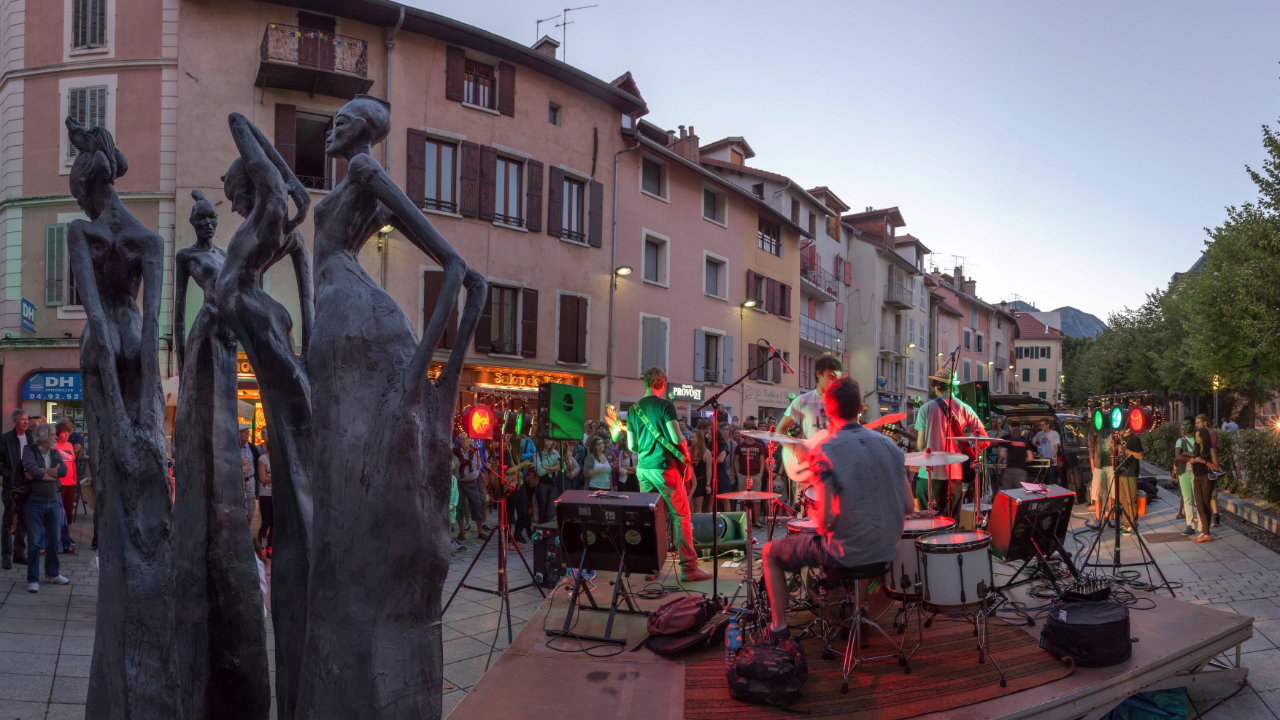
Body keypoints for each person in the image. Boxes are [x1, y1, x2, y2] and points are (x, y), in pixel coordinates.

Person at [761, 377, 913, 640]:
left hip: (847, 553)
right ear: (860, 409)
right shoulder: (890, 447)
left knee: (770, 553)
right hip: (887, 550)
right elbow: (909, 506)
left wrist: (817, 517)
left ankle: (779, 629)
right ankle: (860, 610)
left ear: (828, 410)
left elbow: (827, 520)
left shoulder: (826, 449)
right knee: (861, 536)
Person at [606, 366, 711, 582]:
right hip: (664, 468)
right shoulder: (665, 405)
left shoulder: (633, 410)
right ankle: (689, 568)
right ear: (662, 384)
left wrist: (647, 448)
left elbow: (632, 446)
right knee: (681, 516)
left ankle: (650, 568)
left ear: (646, 383)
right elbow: (676, 437)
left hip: (643, 469)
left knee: (651, 518)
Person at [914, 373, 988, 518]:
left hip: (928, 476)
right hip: (954, 476)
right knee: (950, 524)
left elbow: (921, 444)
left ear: (936, 386)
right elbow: (985, 440)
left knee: (928, 523)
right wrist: (969, 453)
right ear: (954, 387)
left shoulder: (925, 408)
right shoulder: (965, 408)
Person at [21, 423, 71, 592]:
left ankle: (52, 573)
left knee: (54, 541)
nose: (55, 437)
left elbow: (63, 471)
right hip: (35, 502)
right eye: (52, 435)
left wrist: (42, 472)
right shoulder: (29, 450)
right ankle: (33, 579)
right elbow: (31, 469)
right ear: (42, 437)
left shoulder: (55, 453)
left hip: (53, 502)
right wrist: (51, 474)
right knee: (34, 543)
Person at [0, 409, 32, 569]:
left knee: (24, 520)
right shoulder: (5, 439)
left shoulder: (31, 437)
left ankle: (19, 553)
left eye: (27, 419)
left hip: (27, 485)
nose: (26, 422)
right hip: (10, 486)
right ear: (14, 421)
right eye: (22, 419)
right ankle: (6, 555)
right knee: (8, 521)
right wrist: (7, 474)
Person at [451, 434, 491, 540]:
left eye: (466, 439)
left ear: (470, 440)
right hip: (459, 483)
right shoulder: (455, 452)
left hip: (472, 482)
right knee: (459, 506)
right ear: (459, 441)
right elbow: (452, 468)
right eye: (462, 439)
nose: (464, 441)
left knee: (477, 504)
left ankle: (480, 532)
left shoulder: (474, 452)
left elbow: (479, 467)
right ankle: (462, 532)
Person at [1190, 414, 1220, 543]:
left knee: (1206, 505)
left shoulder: (1210, 450)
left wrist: (1203, 461)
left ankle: (1207, 533)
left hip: (1206, 478)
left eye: (1198, 436)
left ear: (1203, 437)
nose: (1196, 438)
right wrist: (1192, 462)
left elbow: (1216, 467)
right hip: (1197, 478)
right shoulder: (1196, 449)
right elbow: (1193, 466)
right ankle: (1205, 531)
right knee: (1199, 505)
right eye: (1195, 436)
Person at [734, 420, 767, 524]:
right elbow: (735, 461)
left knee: (757, 500)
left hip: (756, 475)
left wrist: (760, 474)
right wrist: (738, 474)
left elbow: (762, 461)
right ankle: (744, 521)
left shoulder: (759, 446)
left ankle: (756, 521)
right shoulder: (740, 446)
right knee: (743, 500)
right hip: (743, 475)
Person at [54, 422, 78, 554]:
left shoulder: (69, 445)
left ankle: (68, 537)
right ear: (57, 434)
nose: (66, 434)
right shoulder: (53, 446)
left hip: (70, 483)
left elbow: (73, 463)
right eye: (63, 432)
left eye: (67, 432)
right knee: (58, 511)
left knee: (69, 511)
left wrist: (75, 480)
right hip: (59, 484)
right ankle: (57, 538)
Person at [1173, 422, 1197, 535]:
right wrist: (1192, 457)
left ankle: (1202, 526)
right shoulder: (1180, 441)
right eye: (1182, 427)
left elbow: (1200, 454)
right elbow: (1178, 456)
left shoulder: (1198, 439)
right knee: (1187, 499)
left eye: (1187, 426)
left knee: (1198, 499)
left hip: (1196, 472)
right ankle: (1190, 525)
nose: (1184, 429)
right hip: (1183, 472)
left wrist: (1186, 453)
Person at [1087, 428, 1114, 529]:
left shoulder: (1112, 427)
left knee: (1112, 493)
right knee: (1097, 492)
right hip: (1098, 465)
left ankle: (1111, 518)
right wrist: (1092, 465)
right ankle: (1098, 520)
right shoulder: (1094, 430)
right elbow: (1091, 448)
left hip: (1111, 465)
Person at [533, 438, 561, 525]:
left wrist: (548, 468)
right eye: (547, 440)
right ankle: (542, 529)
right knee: (542, 510)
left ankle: (546, 528)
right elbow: (540, 472)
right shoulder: (537, 454)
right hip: (542, 484)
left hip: (553, 484)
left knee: (551, 511)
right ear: (542, 441)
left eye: (550, 440)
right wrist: (555, 467)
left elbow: (563, 466)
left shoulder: (554, 452)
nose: (550, 442)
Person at [999, 423, 1034, 491]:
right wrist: (1021, 459)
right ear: (1020, 434)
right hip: (1021, 471)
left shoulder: (1008, 441)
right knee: (1020, 492)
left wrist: (1011, 457)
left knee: (1007, 492)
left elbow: (1002, 454)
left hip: (1009, 470)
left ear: (1012, 434)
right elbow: (1030, 458)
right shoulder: (1025, 443)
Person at [256, 427, 274, 556]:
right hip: (265, 494)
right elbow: (262, 478)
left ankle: (270, 547)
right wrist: (273, 477)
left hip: (275, 494)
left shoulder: (277, 461)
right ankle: (259, 545)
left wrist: (269, 476)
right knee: (266, 521)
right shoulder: (262, 459)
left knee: (274, 522)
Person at [238, 424, 259, 526]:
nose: (247, 434)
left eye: (248, 432)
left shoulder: (252, 448)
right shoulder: (233, 448)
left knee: (250, 505)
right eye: (244, 432)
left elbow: (256, 463)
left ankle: (248, 529)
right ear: (238, 434)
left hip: (250, 480)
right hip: (238, 482)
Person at [687, 430, 712, 513]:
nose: (691, 439)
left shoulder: (706, 452)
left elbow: (709, 470)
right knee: (689, 507)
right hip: (689, 481)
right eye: (691, 437)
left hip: (700, 481)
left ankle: (698, 521)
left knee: (698, 507)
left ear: (699, 438)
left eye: (693, 437)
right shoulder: (688, 450)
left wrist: (708, 485)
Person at [1033, 418, 1061, 485]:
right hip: (1042, 459)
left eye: (1043, 425)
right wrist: (1038, 446)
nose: (1041, 427)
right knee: (1040, 480)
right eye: (1040, 425)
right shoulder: (1039, 434)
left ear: (1048, 424)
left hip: (1050, 460)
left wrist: (1054, 456)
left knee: (1050, 480)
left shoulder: (1054, 434)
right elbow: (1033, 442)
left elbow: (1056, 446)